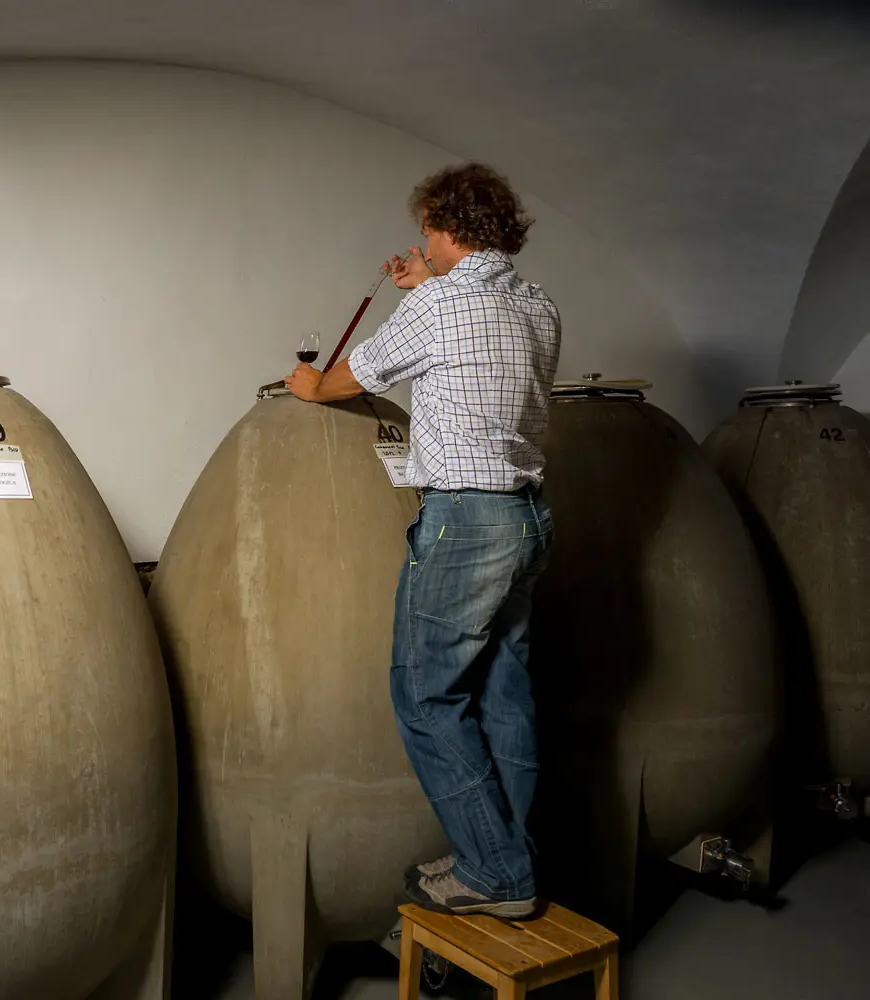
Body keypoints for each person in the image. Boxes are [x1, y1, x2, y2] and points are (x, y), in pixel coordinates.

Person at [284, 162, 560, 919]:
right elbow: (475, 341)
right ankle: (513, 856)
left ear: (447, 229)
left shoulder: (438, 303)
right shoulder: (537, 304)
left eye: (426, 235)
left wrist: (309, 385)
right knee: (504, 690)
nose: (419, 248)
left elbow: (351, 378)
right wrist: (424, 284)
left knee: (426, 694)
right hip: (527, 517)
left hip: (466, 521)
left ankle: (495, 873)